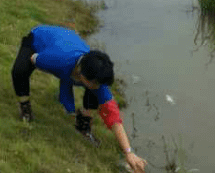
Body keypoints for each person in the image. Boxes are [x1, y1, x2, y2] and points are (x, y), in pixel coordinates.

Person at [11, 24, 147, 173]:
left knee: (95, 92)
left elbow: (114, 118)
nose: (98, 86)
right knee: (19, 71)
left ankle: (83, 123)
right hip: (39, 39)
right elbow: (33, 59)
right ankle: (25, 107)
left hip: (68, 44)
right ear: (81, 74)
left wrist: (129, 153)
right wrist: (60, 74)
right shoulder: (55, 59)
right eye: (94, 82)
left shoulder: (95, 76)